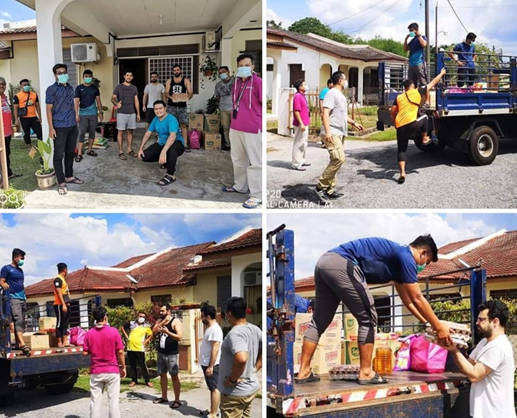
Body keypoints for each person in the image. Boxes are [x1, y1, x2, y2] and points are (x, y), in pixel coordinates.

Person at [295, 235, 452, 386]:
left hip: (324, 262)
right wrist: (439, 326)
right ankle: (366, 372)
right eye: (427, 262)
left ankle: (304, 372)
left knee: (319, 321)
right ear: (423, 253)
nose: (423, 266)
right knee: (368, 319)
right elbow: (418, 297)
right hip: (342, 263)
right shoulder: (406, 256)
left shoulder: (398, 262)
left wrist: (428, 323)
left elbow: (409, 301)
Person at [439, 299, 516, 418]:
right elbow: (468, 364)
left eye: (481, 319)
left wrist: (454, 350)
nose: (477, 323)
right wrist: (456, 340)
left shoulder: (498, 347)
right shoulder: (485, 342)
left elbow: (474, 375)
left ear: (495, 322)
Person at [391, 68, 446, 184]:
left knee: (401, 150)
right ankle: (425, 137)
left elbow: (393, 111)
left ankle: (402, 173)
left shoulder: (399, 97)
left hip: (400, 126)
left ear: (404, 88)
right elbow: (432, 83)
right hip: (412, 123)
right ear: (413, 86)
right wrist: (441, 73)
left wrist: (395, 123)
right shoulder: (417, 92)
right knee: (426, 117)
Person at [315, 71, 364, 202]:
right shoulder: (331, 94)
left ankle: (330, 190)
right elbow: (325, 113)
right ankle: (320, 187)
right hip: (332, 132)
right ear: (340, 81)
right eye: (345, 79)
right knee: (339, 159)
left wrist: (354, 123)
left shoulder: (340, 96)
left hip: (340, 132)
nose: (346, 81)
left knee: (334, 160)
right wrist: (328, 131)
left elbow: (342, 115)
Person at [222, 53, 262, 209]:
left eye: (247, 65)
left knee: (255, 162)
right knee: (238, 159)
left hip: (253, 128)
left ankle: (257, 195)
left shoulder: (258, 82)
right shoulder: (236, 83)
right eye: (241, 66)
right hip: (236, 126)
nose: (244, 68)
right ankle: (240, 186)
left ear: (253, 67)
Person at [219, 297, 261, 418]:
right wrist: (256, 368)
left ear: (229, 314)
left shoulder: (235, 334)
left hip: (235, 393)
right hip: (249, 389)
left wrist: (232, 379)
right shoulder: (255, 329)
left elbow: (241, 358)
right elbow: (266, 347)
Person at [46, 63, 84, 195]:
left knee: (70, 153)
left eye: (64, 72)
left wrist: (76, 117)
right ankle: (61, 182)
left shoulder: (70, 88)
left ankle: (69, 176)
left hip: (72, 125)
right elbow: (49, 110)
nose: (63, 75)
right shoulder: (51, 89)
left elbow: (72, 105)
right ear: (55, 75)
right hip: (59, 126)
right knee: (58, 155)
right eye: (59, 73)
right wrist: (51, 128)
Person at [83, 305, 126, 418]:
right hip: (112, 370)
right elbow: (120, 352)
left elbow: (85, 352)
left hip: (96, 370)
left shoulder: (89, 334)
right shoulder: (114, 331)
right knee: (113, 401)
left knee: (95, 401)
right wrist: (124, 367)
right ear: (105, 317)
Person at [137, 100, 185, 186]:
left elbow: (172, 136)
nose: (158, 111)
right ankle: (167, 161)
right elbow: (148, 134)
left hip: (177, 143)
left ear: (165, 108)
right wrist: (141, 148)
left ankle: (171, 175)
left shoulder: (171, 119)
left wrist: (163, 152)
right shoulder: (155, 119)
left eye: (160, 108)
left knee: (171, 149)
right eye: (156, 109)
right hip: (162, 143)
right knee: (144, 156)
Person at [152, 304, 183, 410]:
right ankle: (164, 397)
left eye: (163, 311)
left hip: (172, 354)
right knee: (162, 375)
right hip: (161, 353)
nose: (160, 313)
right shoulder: (159, 321)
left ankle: (177, 400)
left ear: (168, 311)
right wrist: (160, 324)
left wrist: (167, 332)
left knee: (174, 376)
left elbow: (179, 337)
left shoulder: (175, 321)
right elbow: (153, 332)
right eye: (160, 311)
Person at [0, 248, 30, 355]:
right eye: (21, 258)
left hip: (22, 298)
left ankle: (18, 344)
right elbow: (1, 280)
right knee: (17, 319)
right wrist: (4, 285)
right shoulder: (6, 268)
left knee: (22, 321)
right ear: (15, 257)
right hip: (13, 298)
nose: (23, 260)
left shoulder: (20, 270)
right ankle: (22, 343)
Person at [199, 304, 223, 418]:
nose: (201, 318)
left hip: (212, 365)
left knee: (214, 389)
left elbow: (215, 348)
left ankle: (213, 414)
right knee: (212, 388)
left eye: (202, 316)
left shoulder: (215, 329)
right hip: (207, 364)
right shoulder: (211, 328)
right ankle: (212, 409)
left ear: (208, 316)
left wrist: (210, 366)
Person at [74, 69, 103, 162]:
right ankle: (79, 153)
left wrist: (100, 112)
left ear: (92, 77)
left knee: (92, 132)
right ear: (83, 77)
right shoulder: (79, 88)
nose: (88, 78)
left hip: (93, 114)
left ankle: (90, 150)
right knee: (81, 133)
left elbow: (98, 101)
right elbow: (76, 102)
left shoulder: (95, 88)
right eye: (86, 76)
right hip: (82, 114)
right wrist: (76, 114)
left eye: (89, 76)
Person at [112, 69, 140, 160]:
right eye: (127, 75)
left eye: (130, 75)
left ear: (132, 77)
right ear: (124, 76)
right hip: (121, 113)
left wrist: (138, 113)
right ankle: (120, 151)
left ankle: (129, 149)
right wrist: (116, 104)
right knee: (120, 132)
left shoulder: (134, 88)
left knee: (130, 131)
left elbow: (136, 100)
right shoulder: (118, 87)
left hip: (131, 113)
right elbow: (112, 98)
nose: (129, 77)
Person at [121, 311, 153, 388]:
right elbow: (123, 328)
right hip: (130, 348)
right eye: (140, 316)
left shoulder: (146, 326)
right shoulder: (131, 323)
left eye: (143, 317)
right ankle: (134, 380)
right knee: (132, 365)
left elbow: (151, 335)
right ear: (137, 316)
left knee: (142, 365)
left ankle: (147, 380)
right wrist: (127, 337)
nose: (141, 318)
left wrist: (146, 342)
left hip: (140, 348)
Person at [165, 65, 192, 152]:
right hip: (171, 106)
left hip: (182, 106)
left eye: (177, 70)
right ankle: (170, 143)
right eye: (174, 70)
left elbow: (190, 93)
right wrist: (171, 97)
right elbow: (166, 93)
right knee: (171, 125)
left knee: (183, 124)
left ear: (180, 71)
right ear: (173, 72)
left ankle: (185, 144)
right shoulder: (169, 81)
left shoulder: (186, 80)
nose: (176, 71)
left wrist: (186, 97)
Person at [13, 79, 43, 151]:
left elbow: (37, 106)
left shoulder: (34, 94)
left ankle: (41, 146)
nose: (27, 86)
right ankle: (29, 147)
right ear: (21, 86)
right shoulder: (17, 96)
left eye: (28, 85)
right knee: (26, 133)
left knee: (39, 132)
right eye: (24, 85)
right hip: (24, 118)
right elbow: (15, 108)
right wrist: (16, 119)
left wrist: (40, 116)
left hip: (33, 117)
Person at [0, 77, 20, 181]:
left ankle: (8, 173)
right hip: (0, 133)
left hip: (7, 132)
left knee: (7, 153)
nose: (1, 86)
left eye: (3, 84)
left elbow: (7, 114)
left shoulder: (5, 98)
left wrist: (11, 128)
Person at [291, 79, 311, 171]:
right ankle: (296, 163)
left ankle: (302, 160)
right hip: (300, 124)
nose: (306, 86)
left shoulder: (303, 96)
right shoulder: (297, 97)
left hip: (305, 123)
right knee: (299, 143)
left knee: (304, 143)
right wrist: (301, 123)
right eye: (304, 84)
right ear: (300, 87)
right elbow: (296, 111)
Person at [404, 23, 428, 93]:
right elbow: (405, 49)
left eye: (411, 30)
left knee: (423, 83)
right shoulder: (412, 41)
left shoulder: (422, 37)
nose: (410, 32)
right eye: (409, 31)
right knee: (411, 84)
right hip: (411, 64)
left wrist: (419, 35)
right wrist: (406, 39)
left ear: (416, 30)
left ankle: (426, 101)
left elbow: (424, 44)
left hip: (419, 63)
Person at [53, 262, 72, 347]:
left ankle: (65, 341)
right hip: (59, 304)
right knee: (60, 323)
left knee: (65, 323)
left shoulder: (63, 280)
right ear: (65, 269)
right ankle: (59, 342)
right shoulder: (58, 279)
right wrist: (63, 304)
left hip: (66, 303)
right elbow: (58, 291)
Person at [215, 66, 233, 152]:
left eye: (223, 71)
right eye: (220, 73)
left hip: (235, 109)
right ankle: (227, 144)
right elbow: (217, 96)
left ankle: (235, 145)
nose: (222, 74)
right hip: (223, 109)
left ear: (228, 72)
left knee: (235, 128)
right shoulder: (218, 85)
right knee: (225, 127)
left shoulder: (235, 81)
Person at [319, 79, 333, 147]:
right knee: (324, 125)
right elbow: (321, 101)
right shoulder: (325, 90)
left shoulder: (331, 91)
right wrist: (322, 111)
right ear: (329, 84)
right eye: (332, 84)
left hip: (329, 111)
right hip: (325, 111)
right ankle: (323, 142)